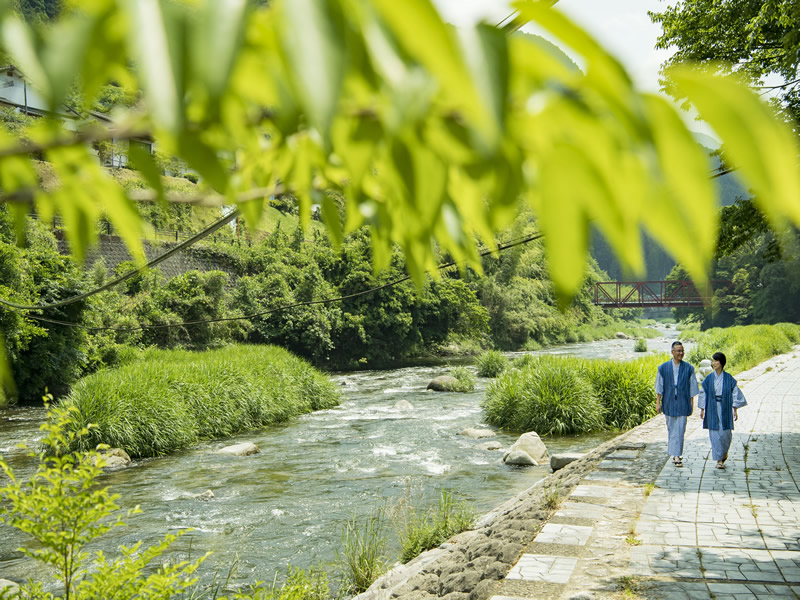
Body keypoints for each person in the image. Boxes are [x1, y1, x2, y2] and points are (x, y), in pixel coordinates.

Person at [698, 352, 747, 469]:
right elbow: (702, 393)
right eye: (713, 361)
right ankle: (719, 460)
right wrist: (702, 409)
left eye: (716, 361)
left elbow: (735, 393)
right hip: (712, 408)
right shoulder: (708, 379)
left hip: (725, 407)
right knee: (714, 434)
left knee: (726, 434)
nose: (714, 363)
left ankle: (724, 452)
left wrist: (735, 409)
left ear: (722, 363)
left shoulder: (729, 378)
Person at [655, 341, 698, 467]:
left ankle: (676, 455)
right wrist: (658, 403)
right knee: (671, 428)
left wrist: (691, 405)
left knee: (680, 429)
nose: (681, 353)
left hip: (683, 403)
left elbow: (692, 389)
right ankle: (675, 455)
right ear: (672, 352)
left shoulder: (689, 368)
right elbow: (659, 387)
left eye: (682, 350)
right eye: (678, 351)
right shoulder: (663, 368)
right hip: (668, 402)